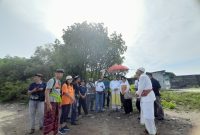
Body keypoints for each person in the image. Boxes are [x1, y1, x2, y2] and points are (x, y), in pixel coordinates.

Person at [136, 67, 157, 135]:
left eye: (137, 71)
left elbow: (141, 88)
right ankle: (149, 129)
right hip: (147, 97)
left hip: (147, 98)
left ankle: (152, 132)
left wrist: (137, 94)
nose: (136, 72)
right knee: (147, 114)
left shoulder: (142, 76)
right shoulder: (144, 76)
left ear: (140, 71)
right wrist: (139, 94)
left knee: (148, 115)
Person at [43, 69, 64, 135]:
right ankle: (47, 133)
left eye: (62, 73)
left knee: (56, 118)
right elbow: (46, 91)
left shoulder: (59, 82)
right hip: (51, 102)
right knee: (49, 118)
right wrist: (48, 104)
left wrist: (60, 101)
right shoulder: (52, 80)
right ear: (56, 73)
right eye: (59, 73)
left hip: (56, 102)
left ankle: (54, 132)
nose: (60, 74)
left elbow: (58, 93)